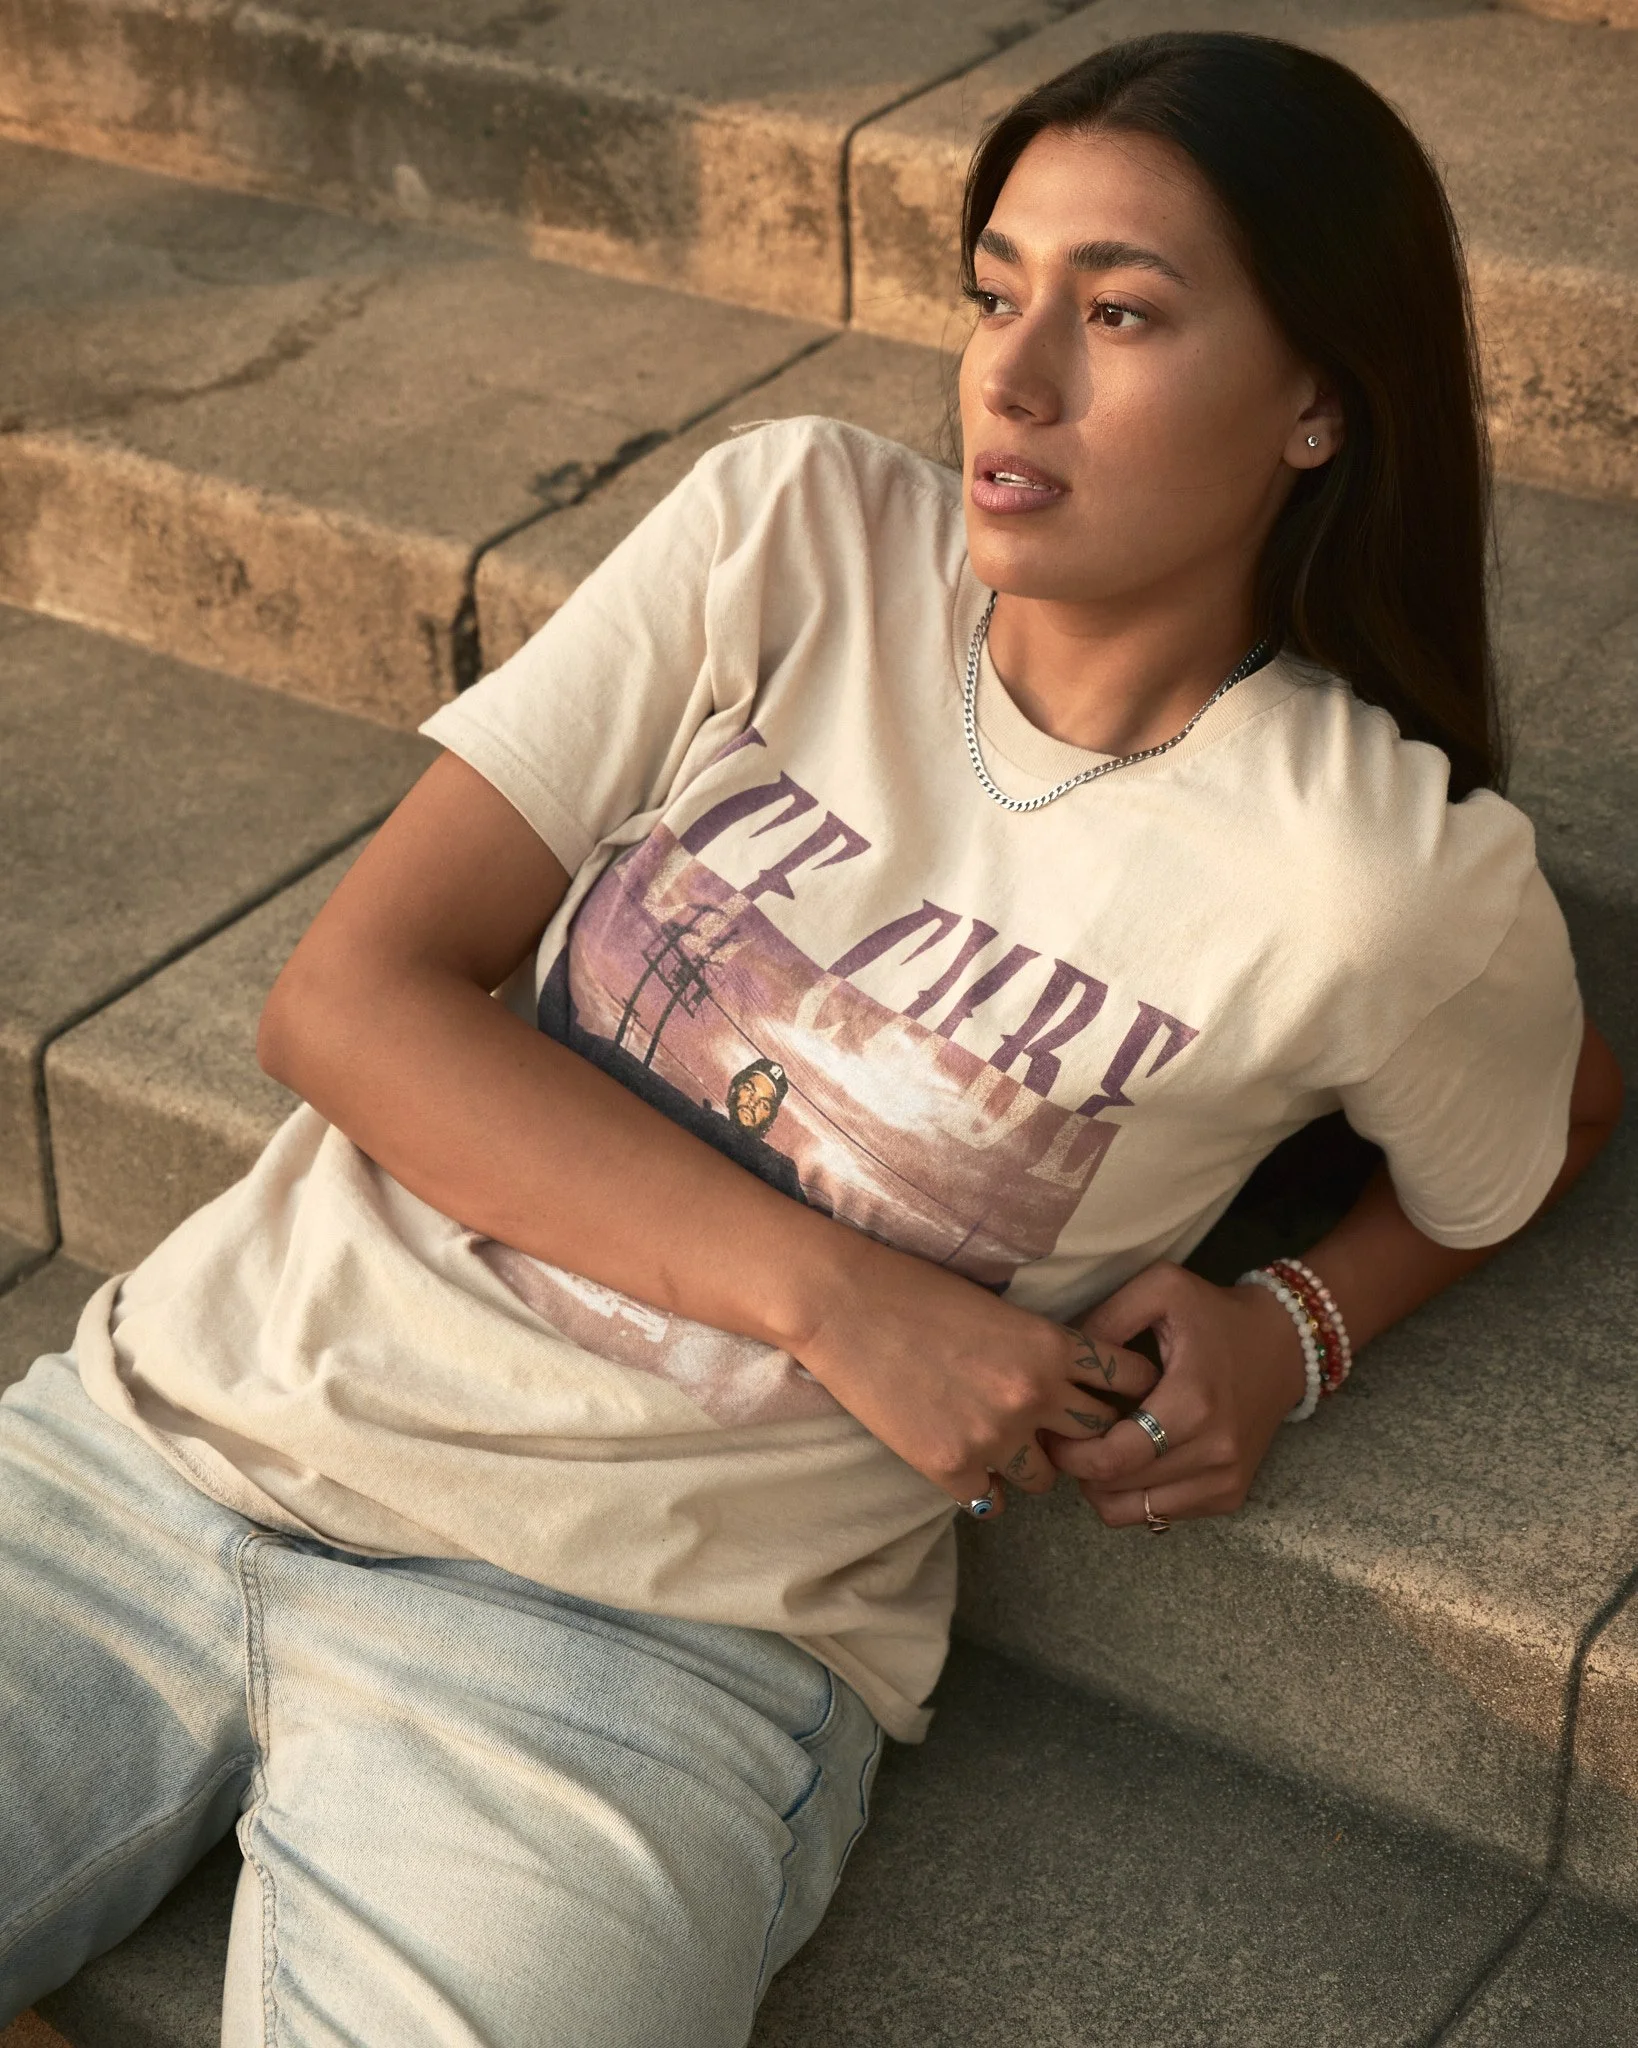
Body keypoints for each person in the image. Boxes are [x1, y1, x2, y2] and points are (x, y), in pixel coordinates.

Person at [0, 29, 1623, 2048]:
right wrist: (845, 1300)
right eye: (996, 290)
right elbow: (350, 996)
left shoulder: (1368, 868)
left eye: (1119, 312)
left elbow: (1548, 1102)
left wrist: (1302, 1323)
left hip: (621, 1656)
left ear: (1317, 401)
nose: (1012, 379)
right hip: (170, 1438)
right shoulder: (800, 533)